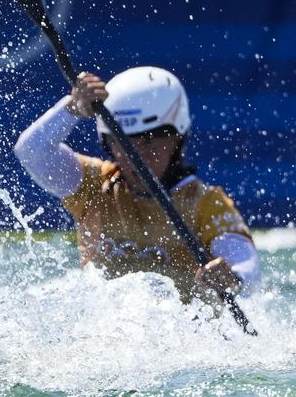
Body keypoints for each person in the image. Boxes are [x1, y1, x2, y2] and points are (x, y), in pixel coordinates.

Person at [14, 66, 261, 302]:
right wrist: (71, 109)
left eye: (151, 141)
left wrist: (233, 278)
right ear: (108, 144)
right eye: (126, 143)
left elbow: (246, 264)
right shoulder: (93, 185)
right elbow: (32, 153)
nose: (138, 155)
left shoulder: (206, 204)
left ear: (177, 140)